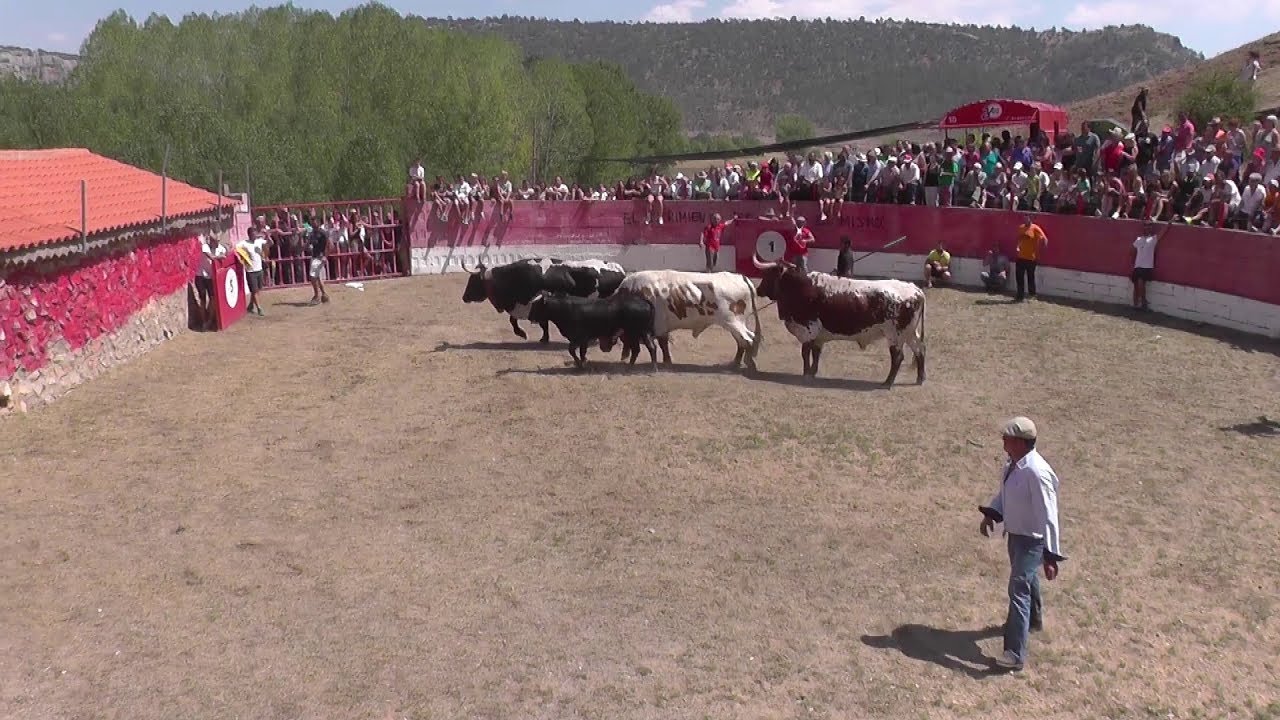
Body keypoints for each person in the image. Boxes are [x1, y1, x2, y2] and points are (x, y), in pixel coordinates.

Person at [979, 416, 1065, 672]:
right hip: (1016, 536)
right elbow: (1008, 495)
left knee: (1018, 590)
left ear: (1021, 442)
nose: (1003, 440)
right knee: (1027, 581)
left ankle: (1015, 653)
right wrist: (991, 514)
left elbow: (1048, 515)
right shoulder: (1015, 464)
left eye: (1008, 437)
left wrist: (1049, 556)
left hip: (1031, 541)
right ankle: (1034, 620)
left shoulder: (1036, 472)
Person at [1131, 218, 1173, 311]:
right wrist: (1133, 264)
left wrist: (1169, 222)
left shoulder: (1153, 239)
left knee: (1141, 283)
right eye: (1146, 225)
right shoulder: (1139, 239)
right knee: (1136, 286)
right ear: (1144, 227)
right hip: (1137, 265)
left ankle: (1143, 303)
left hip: (1146, 266)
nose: (1147, 227)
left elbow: (1163, 232)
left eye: (1149, 225)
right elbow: (1133, 252)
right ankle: (1135, 305)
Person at [235, 226, 270, 317]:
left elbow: (270, 243)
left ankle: (251, 305)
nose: (255, 235)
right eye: (253, 234)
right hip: (250, 270)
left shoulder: (259, 241)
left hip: (259, 269)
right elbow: (236, 249)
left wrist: (267, 235)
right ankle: (259, 308)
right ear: (249, 235)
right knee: (254, 290)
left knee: (257, 289)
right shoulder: (244, 243)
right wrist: (240, 258)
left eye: (255, 233)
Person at [196, 234, 227, 330]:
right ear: (211, 241)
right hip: (201, 275)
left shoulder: (221, 248)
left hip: (211, 277)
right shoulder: (205, 246)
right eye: (215, 241)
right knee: (203, 299)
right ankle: (204, 321)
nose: (217, 243)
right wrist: (220, 256)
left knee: (213, 299)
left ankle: (209, 320)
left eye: (218, 240)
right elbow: (212, 257)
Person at [1013, 214, 1047, 302]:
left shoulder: (1035, 228)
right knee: (1019, 276)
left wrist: (1041, 249)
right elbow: (1019, 240)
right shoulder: (1021, 228)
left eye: (1027, 218)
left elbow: (1044, 239)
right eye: (1024, 218)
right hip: (1021, 257)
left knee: (1030, 277)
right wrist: (1017, 247)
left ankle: (1032, 294)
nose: (1025, 220)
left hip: (1031, 258)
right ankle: (1020, 295)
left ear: (1030, 219)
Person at [306, 215, 331, 306]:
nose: (313, 223)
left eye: (314, 221)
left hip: (319, 257)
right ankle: (323, 295)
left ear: (318, 222)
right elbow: (308, 244)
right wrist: (308, 247)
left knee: (313, 277)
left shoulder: (323, 233)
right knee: (317, 277)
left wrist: (325, 256)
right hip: (314, 256)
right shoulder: (311, 233)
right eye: (311, 221)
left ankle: (317, 295)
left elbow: (329, 245)